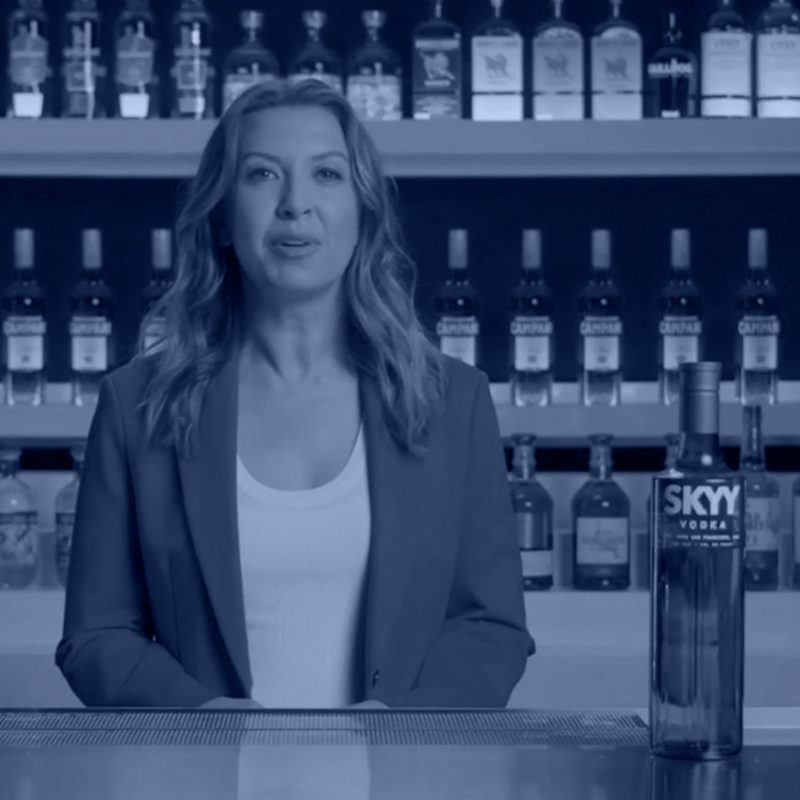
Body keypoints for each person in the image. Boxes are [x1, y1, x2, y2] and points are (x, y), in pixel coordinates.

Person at [54, 78, 536, 710]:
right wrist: (206, 718)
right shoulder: (138, 404)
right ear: (223, 216)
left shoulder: (452, 401)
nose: (295, 204)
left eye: (327, 176)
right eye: (261, 175)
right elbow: (96, 636)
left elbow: (489, 626)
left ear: (364, 213)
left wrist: (397, 726)